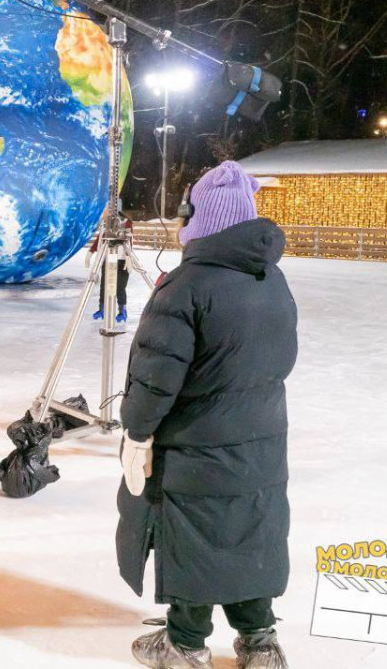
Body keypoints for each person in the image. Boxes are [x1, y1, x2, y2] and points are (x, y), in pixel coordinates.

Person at [117, 161, 296, 669]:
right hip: (260, 441)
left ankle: (185, 643)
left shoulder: (186, 287)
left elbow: (156, 379)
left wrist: (137, 432)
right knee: (248, 533)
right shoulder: (271, 280)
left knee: (192, 534)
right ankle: (261, 641)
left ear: (201, 219)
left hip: (195, 447)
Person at [89, 215, 134, 323]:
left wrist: (128, 257)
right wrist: (91, 251)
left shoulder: (125, 222)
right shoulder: (106, 222)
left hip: (122, 259)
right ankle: (102, 309)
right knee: (104, 285)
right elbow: (101, 237)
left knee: (120, 287)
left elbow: (128, 240)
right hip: (107, 257)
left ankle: (122, 310)